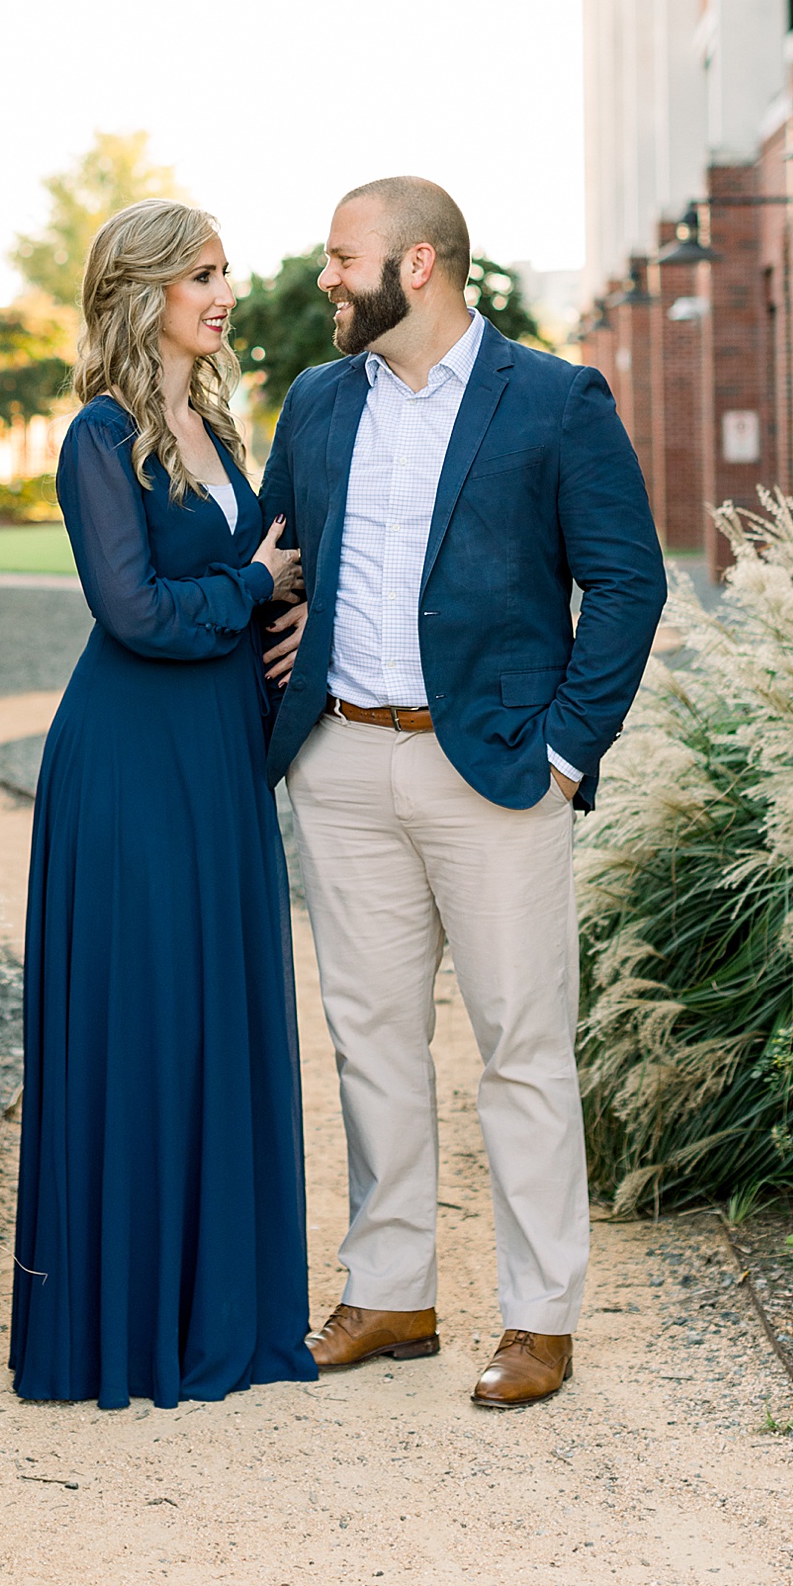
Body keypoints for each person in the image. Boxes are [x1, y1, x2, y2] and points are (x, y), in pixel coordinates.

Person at [259, 175, 666, 1408]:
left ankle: (542, 1316)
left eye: (344, 256)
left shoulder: (553, 399)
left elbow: (628, 584)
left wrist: (559, 752)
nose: (327, 277)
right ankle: (392, 1293)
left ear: (419, 263)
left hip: (494, 770)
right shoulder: (319, 399)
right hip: (340, 761)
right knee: (370, 1039)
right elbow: (284, 555)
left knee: (523, 1048)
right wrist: (289, 617)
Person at [11, 198, 317, 1409]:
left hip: (217, 761)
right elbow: (132, 611)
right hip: (132, 766)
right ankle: (128, 1323)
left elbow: (248, 590)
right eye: (202, 272)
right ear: (144, 292)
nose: (224, 288)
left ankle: (220, 1307)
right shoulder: (99, 435)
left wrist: (278, 627)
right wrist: (252, 587)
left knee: (214, 1014)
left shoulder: (216, 425)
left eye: (225, 268)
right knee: (147, 1018)